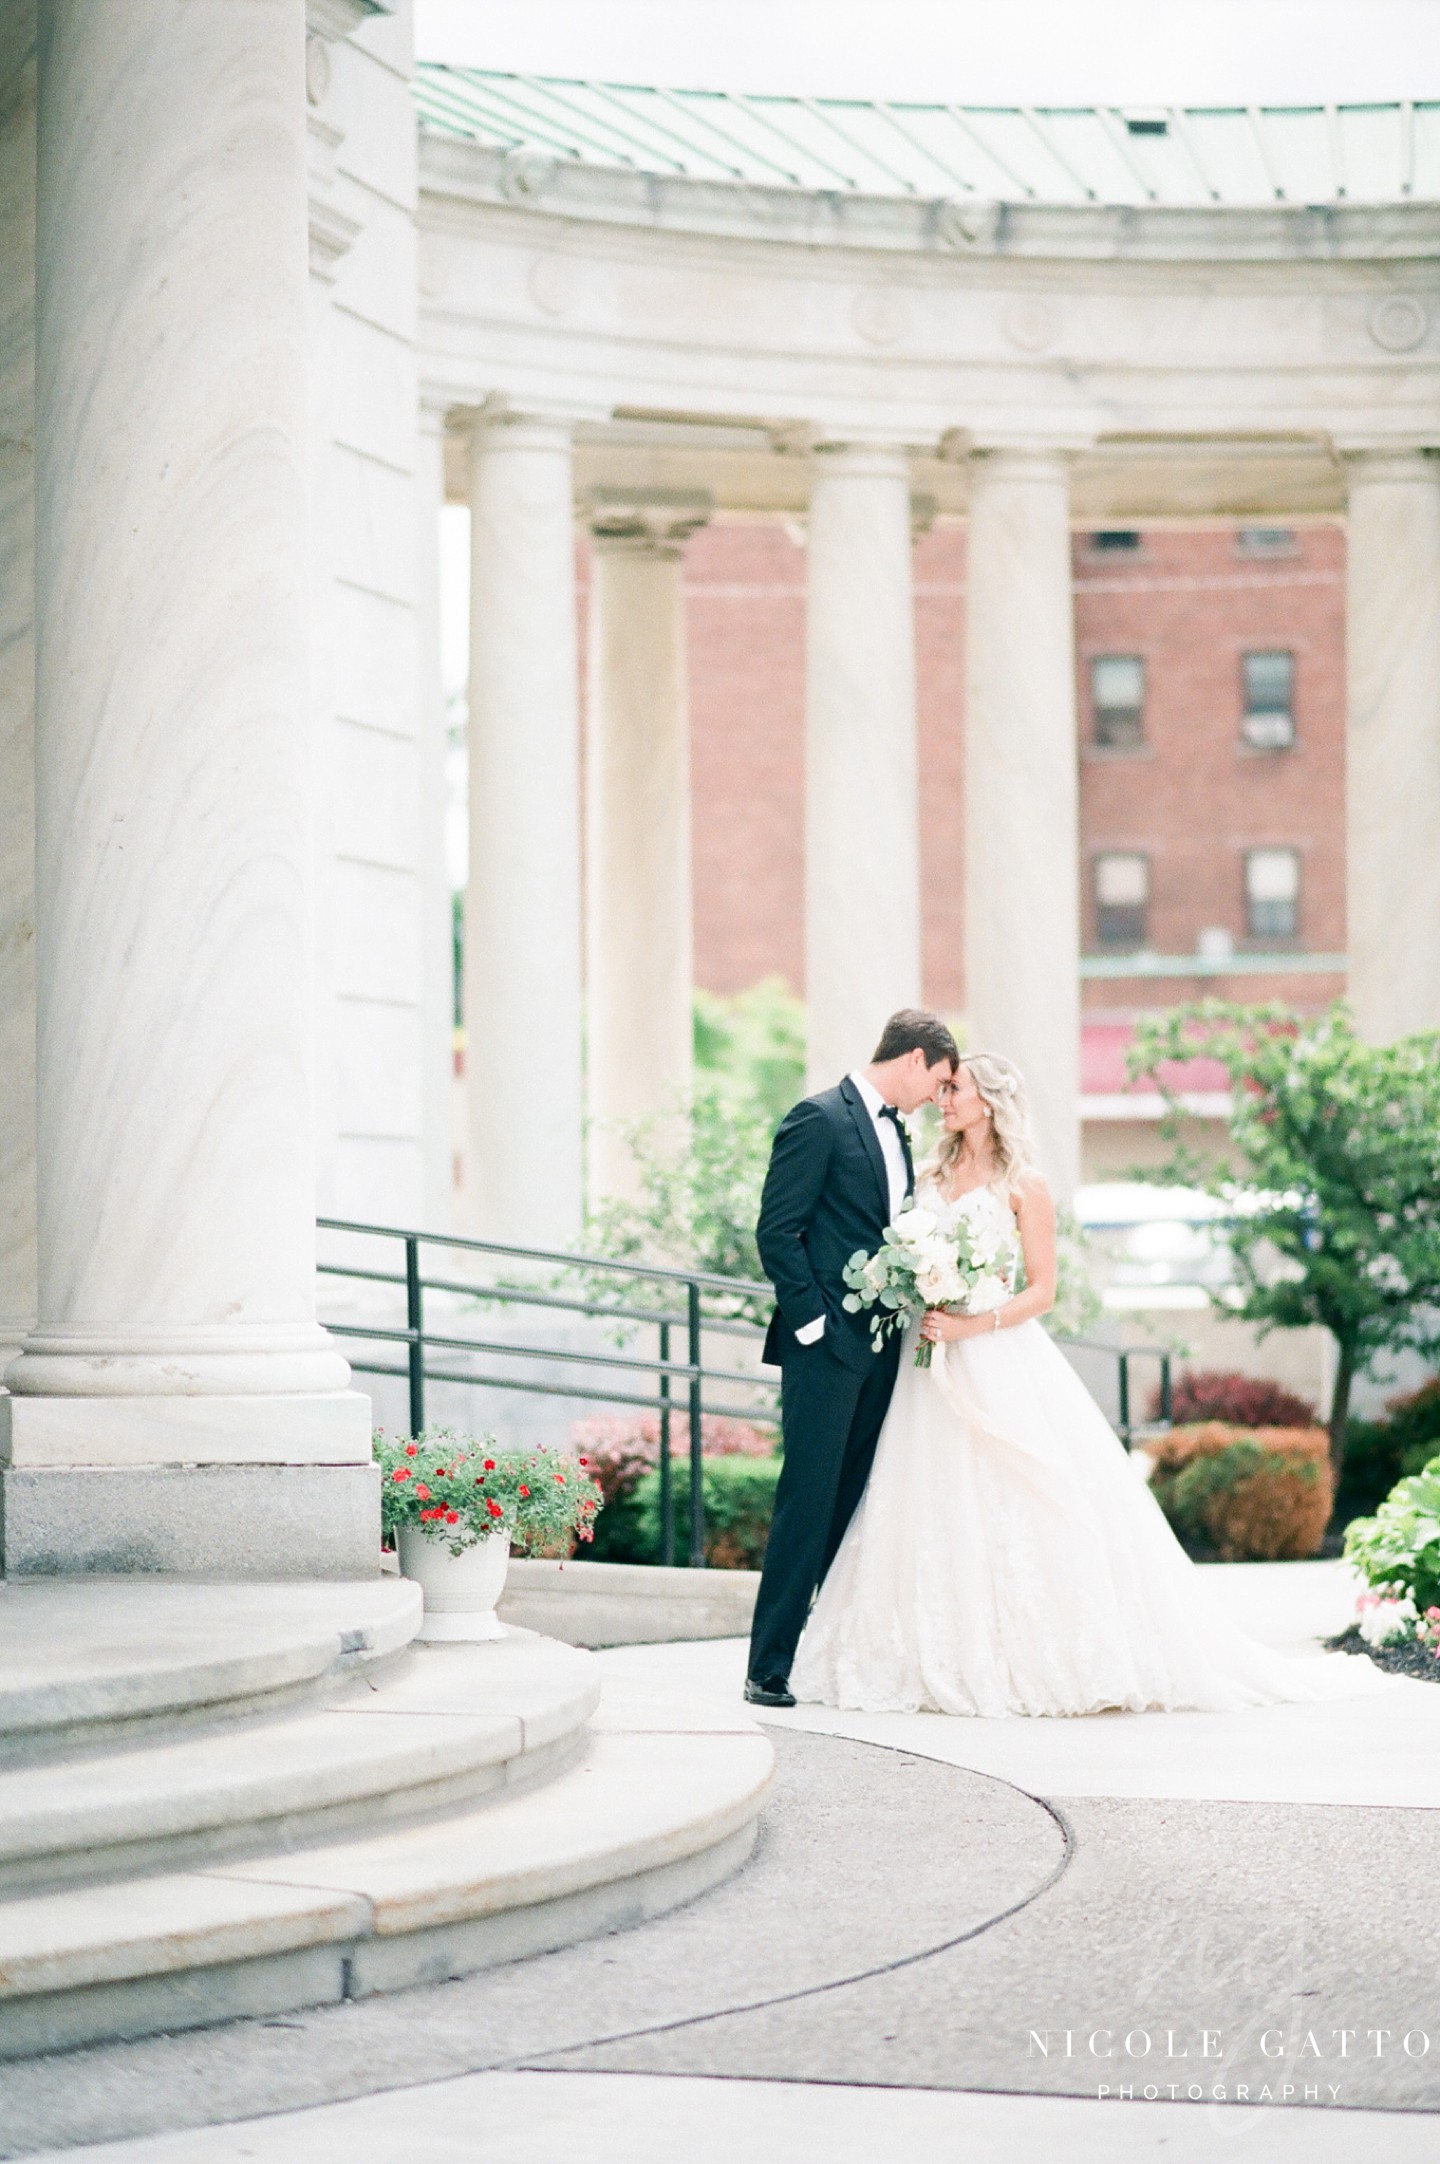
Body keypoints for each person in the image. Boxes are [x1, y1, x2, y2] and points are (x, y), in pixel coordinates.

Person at [790, 1051, 1390, 1716]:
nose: (942, 1099)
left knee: (1020, 1497)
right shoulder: (927, 1173)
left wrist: (972, 1323)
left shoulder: (1026, 1186)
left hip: (992, 1351)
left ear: (986, 1101)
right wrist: (920, 1286)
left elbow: (1042, 1291)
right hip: (922, 1358)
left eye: (954, 1088)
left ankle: (1027, 1655)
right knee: (918, 1494)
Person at [744, 1009, 959, 1708]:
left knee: (854, 1505)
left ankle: (829, 1661)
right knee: (806, 1502)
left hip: (883, 1352)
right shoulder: (819, 1118)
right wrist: (814, 1327)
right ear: (915, 1059)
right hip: (826, 1351)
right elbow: (778, 1231)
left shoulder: (898, 1132)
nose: (938, 1097)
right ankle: (767, 1667)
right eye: (940, 1081)